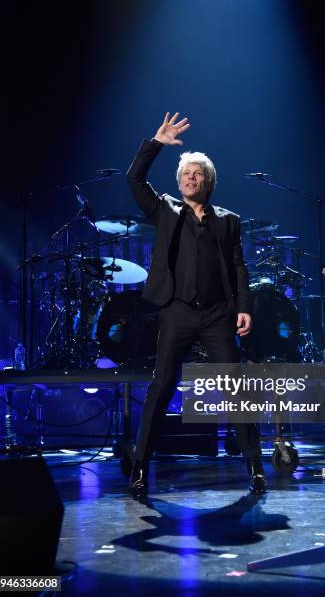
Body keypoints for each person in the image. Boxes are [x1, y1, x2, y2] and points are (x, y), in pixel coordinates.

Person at [126, 112, 267, 497]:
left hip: (218, 313)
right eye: (185, 174)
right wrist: (155, 144)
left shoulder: (228, 221)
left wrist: (244, 306)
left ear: (209, 182)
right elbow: (134, 180)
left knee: (236, 387)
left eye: (197, 174)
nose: (190, 178)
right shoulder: (165, 210)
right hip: (177, 310)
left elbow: (238, 265)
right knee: (161, 386)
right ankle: (140, 468)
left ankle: (255, 466)